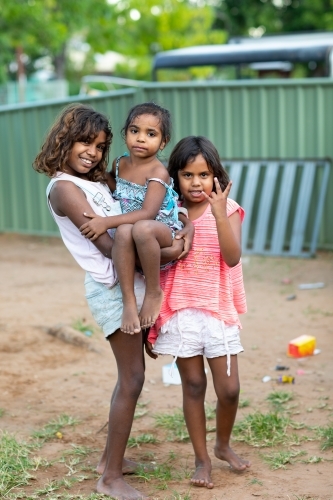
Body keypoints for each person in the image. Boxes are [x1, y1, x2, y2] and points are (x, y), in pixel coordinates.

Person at [33, 103, 193, 500]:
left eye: (100, 146)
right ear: (64, 141)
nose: (92, 151)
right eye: (84, 142)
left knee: (131, 376)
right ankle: (109, 478)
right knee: (132, 378)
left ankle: (110, 462)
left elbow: (138, 216)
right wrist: (177, 248)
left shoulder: (97, 181)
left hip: (128, 282)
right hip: (109, 287)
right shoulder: (65, 189)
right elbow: (109, 246)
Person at [146, 136, 251, 490]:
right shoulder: (168, 211)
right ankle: (202, 459)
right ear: (175, 176)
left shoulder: (230, 208)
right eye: (188, 175)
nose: (196, 182)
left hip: (218, 311)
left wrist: (219, 213)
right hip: (180, 312)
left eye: (203, 174)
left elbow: (233, 257)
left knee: (230, 390)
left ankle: (222, 445)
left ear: (215, 176)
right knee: (192, 386)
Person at [79, 102, 185, 336]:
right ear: (125, 133)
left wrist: (105, 222)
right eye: (134, 131)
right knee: (126, 230)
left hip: (161, 232)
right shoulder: (120, 163)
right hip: (133, 233)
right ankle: (128, 302)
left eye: (151, 134)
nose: (141, 138)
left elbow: (148, 213)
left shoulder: (158, 172)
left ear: (163, 142)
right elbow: (113, 187)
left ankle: (153, 290)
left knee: (140, 228)